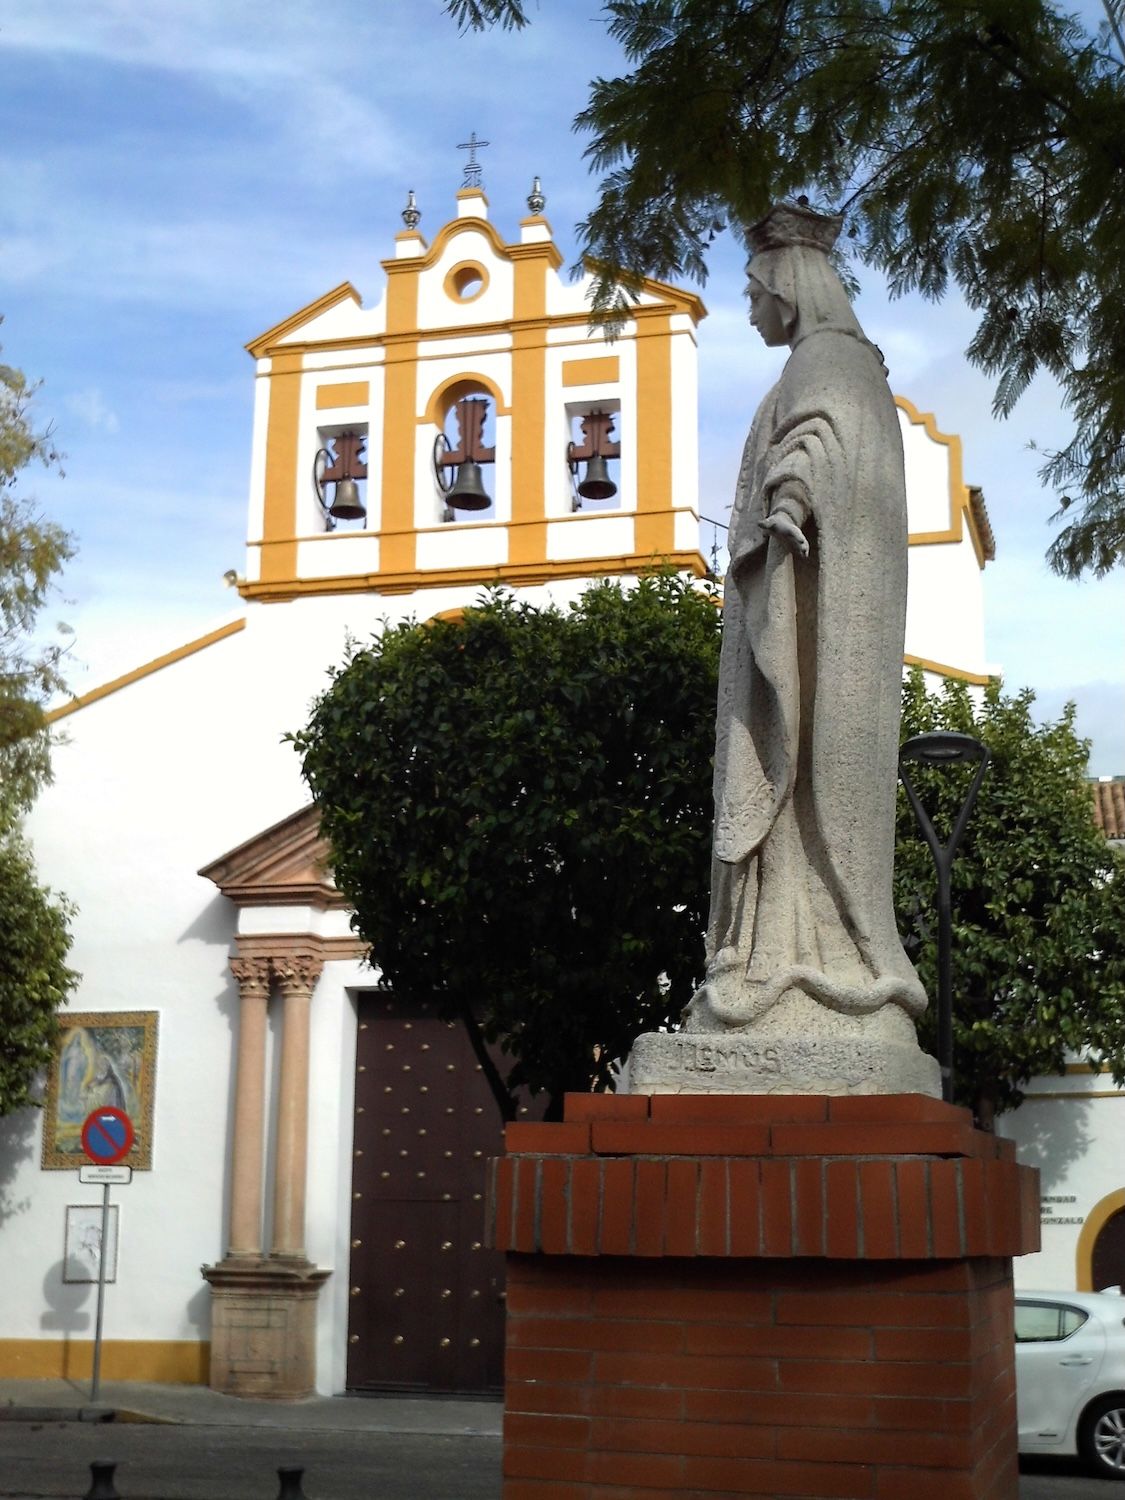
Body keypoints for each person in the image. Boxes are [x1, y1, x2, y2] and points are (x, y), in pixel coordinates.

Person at [684, 201, 927, 1039]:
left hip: (810, 608)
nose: (748, 309)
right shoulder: (831, 363)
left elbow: (818, 443)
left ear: (788, 284)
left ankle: (803, 962)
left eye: (754, 292)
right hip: (793, 589)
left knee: (795, 773)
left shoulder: (828, 362)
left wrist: (790, 496)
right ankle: (772, 955)